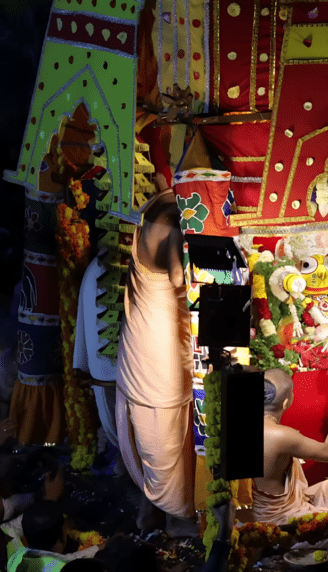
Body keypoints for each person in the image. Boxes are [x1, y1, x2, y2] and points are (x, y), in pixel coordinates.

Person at [115, 188, 196, 535]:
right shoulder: (173, 228)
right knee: (163, 427)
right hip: (157, 349)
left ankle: (152, 513)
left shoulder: (149, 212)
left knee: (159, 428)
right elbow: (180, 278)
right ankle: (177, 519)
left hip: (140, 335)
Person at [254, 367, 328, 554]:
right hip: (275, 523)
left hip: (282, 505)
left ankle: (314, 544)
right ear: (286, 403)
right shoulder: (279, 435)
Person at [73, 254, 123, 476]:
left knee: (121, 436)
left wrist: (80, 364)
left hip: (107, 372)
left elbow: (83, 316)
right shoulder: (100, 267)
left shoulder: (96, 266)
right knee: (122, 436)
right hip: (115, 374)